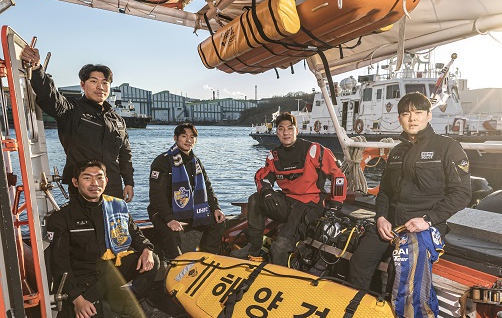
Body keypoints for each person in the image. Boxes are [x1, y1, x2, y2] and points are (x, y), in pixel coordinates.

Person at [348, 92, 471, 291]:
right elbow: (385, 192)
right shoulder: (396, 151)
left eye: (418, 112)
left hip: (425, 225)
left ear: (429, 115)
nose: (412, 118)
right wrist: (380, 218)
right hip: (391, 224)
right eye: (406, 114)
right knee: (359, 263)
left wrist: (428, 220)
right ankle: (361, 311)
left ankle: (396, 315)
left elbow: (462, 193)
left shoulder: (448, 148)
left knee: (400, 274)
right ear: (399, 119)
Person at [47, 160, 159, 318]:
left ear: (106, 181)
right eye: (87, 178)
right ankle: (87, 304)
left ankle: (125, 303)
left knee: (152, 259)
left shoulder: (116, 206)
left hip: (114, 266)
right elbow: (59, 264)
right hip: (85, 277)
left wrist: (147, 248)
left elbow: (135, 234)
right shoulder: (62, 218)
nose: (94, 183)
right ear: (75, 182)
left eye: (99, 178)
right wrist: (76, 299)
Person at [231, 112, 347, 265]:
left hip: (309, 205)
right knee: (255, 199)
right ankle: (254, 246)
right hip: (287, 202)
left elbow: (338, 176)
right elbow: (262, 177)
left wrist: (336, 205)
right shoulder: (274, 156)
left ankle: (280, 275)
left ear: (296, 130)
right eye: (281, 129)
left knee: (279, 247)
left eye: (290, 128)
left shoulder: (314, 150)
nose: (286, 133)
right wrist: (266, 192)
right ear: (276, 132)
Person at [21, 45, 135, 201]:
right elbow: (50, 97)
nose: (100, 87)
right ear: (83, 84)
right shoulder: (72, 110)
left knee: (114, 225)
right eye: (93, 81)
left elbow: (125, 154)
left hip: (112, 186)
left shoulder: (117, 120)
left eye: (105, 83)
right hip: (83, 188)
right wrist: (36, 69)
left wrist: (128, 182)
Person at [148, 123, 226, 259]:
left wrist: (216, 208)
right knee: (171, 233)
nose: (188, 140)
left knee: (219, 222)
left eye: (192, 137)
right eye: (184, 136)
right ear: (175, 138)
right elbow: (156, 195)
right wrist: (169, 218)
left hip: (189, 209)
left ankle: (205, 258)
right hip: (163, 211)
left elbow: (207, 187)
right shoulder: (162, 161)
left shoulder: (196, 162)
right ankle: (176, 265)